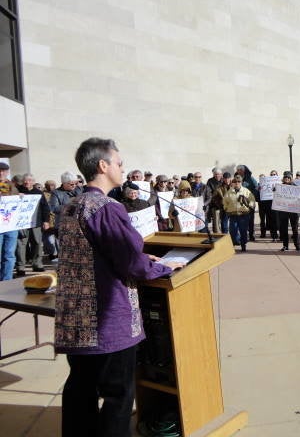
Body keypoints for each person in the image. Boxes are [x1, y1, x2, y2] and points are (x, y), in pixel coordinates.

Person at [55, 137, 183, 437]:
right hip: (107, 320)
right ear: (103, 165)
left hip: (77, 320)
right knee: (117, 395)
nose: (123, 169)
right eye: (119, 163)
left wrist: (140, 255)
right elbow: (131, 265)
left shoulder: (72, 204)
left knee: (81, 391)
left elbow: (96, 252)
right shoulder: (106, 208)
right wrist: (163, 266)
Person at [15, 173, 50, 275]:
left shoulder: (38, 193)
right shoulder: (17, 191)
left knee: (37, 243)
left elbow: (45, 208)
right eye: (25, 180)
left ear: (33, 182)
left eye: (30, 180)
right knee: (21, 244)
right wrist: (17, 197)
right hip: (21, 224)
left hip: (36, 223)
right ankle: (20, 266)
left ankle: (37, 264)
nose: (27, 182)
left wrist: (46, 221)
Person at [223, 175, 256, 251]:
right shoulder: (229, 192)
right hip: (233, 214)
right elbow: (225, 202)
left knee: (243, 230)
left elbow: (252, 201)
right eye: (235, 181)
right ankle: (234, 243)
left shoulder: (246, 191)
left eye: (239, 181)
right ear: (232, 183)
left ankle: (243, 244)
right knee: (233, 230)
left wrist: (249, 206)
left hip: (243, 214)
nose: (237, 183)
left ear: (241, 182)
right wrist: (226, 208)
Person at [0, 162, 20, 281]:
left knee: (9, 255)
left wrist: (20, 197)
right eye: (0, 171)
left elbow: (16, 199)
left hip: (10, 226)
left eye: (4, 171)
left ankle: (6, 280)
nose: (1, 173)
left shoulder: (11, 186)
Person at [277, 172, 300, 251]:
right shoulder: (280, 187)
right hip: (283, 211)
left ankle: (297, 245)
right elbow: (276, 197)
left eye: (288, 178)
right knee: (284, 229)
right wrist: (274, 191)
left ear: (291, 179)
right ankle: (285, 245)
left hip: (294, 211)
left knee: (295, 229)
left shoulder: (296, 187)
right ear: (283, 179)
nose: (287, 179)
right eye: (285, 178)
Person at [236, 165, 259, 241]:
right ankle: (243, 236)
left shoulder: (250, 178)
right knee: (241, 220)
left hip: (250, 202)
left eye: (240, 170)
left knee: (250, 220)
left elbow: (256, 187)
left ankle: (251, 235)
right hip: (240, 203)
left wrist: (251, 196)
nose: (239, 171)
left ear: (244, 170)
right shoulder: (236, 178)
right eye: (238, 170)